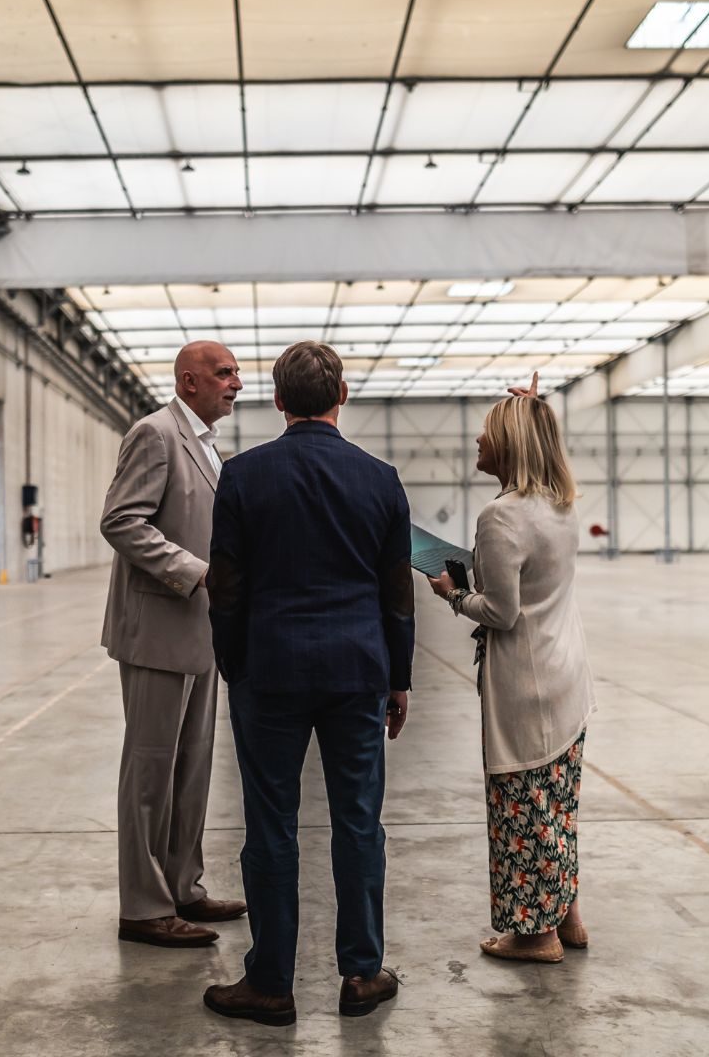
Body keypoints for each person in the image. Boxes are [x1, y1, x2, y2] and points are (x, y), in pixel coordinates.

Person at [202, 341, 414, 1027]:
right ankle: (360, 972)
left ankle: (270, 982)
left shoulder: (243, 476)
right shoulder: (381, 479)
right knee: (358, 821)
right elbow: (395, 594)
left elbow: (226, 589)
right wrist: (400, 677)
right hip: (357, 670)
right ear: (342, 397)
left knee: (271, 826)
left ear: (278, 401)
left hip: (270, 670)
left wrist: (236, 662)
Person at [426, 374, 595, 964]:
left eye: (488, 433)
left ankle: (534, 935)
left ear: (510, 446)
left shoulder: (502, 515)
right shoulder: (561, 505)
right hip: (566, 674)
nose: (478, 439)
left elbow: (500, 611)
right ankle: (568, 915)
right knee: (558, 803)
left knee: (521, 805)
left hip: (525, 683)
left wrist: (451, 591)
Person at [99, 340, 248, 948]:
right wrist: (196, 571)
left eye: (236, 372)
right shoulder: (155, 434)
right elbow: (121, 520)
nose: (236, 382)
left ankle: (183, 886)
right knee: (150, 773)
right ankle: (142, 905)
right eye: (224, 373)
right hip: (159, 629)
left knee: (190, 772)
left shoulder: (208, 447)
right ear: (189, 382)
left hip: (200, 631)